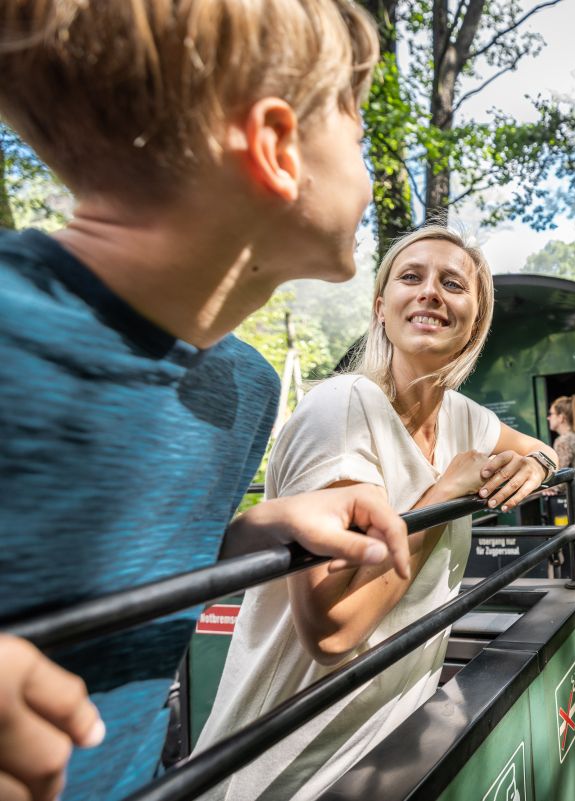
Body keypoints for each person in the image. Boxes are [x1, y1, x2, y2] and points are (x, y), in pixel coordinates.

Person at [0, 3, 415, 800]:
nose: (370, 172)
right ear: (275, 148)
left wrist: (253, 531)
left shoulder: (243, 390)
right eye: (359, 135)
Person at [195, 226, 558, 801]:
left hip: (388, 737)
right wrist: (442, 495)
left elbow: (541, 446)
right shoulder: (343, 408)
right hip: (290, 767)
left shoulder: (465, 418)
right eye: (410, 278)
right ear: (380, 308)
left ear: (475, 320)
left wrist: (537, 464)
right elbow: (334, 631)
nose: (430, 292)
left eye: (452, 284)